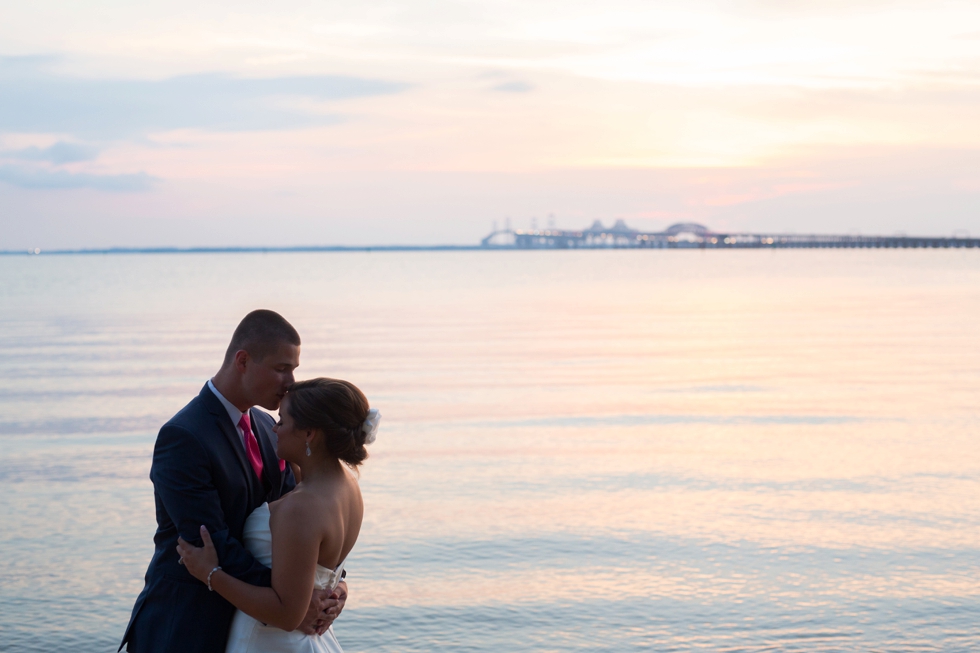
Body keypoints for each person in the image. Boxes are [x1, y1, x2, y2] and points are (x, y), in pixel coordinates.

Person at [120, 310, 346, 652]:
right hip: (187, 626)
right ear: (243, 360)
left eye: (294, 369)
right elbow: (210, 542)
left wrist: (334, 587)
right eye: (282, 368)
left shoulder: (273, 431)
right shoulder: (183, 437)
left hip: (257, 625)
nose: (291, 382)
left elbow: (309, 524)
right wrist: (291, 604)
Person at [177, 378, 376, 653]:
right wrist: (339, 588)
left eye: (282, 421)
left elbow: (287, 614)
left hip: (269, 641)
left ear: (309, 433)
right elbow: (321, 568)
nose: (274, 429)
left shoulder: (299, 508)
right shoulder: (349, 486)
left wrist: (211, 574)